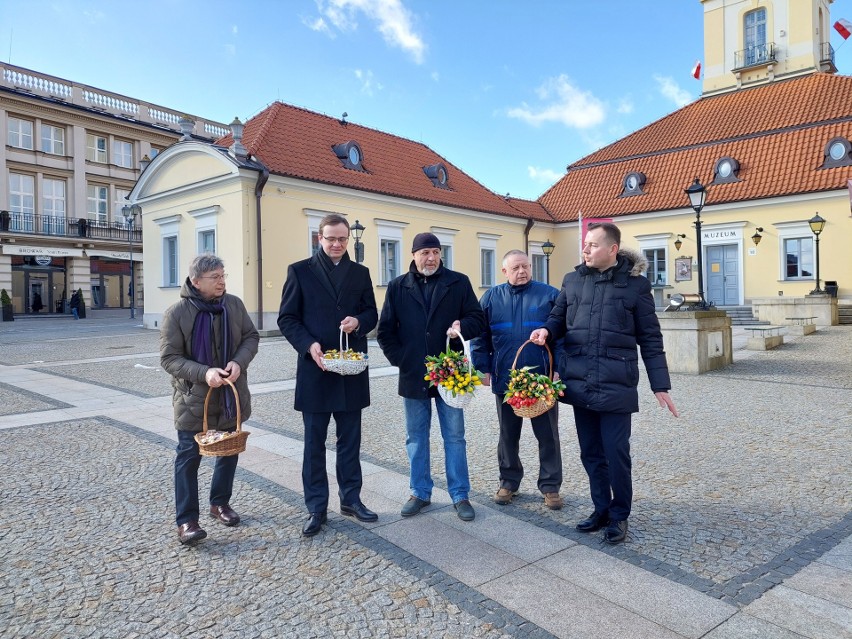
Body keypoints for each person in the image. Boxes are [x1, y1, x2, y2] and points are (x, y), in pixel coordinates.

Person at [530, 222, 678, 544]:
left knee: (616, 453)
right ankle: (600, 508)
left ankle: (619, 515)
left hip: (615, 384)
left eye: (593, 245)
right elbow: (557, 317)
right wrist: (547, 331)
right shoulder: (572, 280)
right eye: (584, 244)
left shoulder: (636, 286)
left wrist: (660, 385)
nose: (585, 250)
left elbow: (650, 339)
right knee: (591, 453)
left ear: (612, 249)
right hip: (580, 380)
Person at [278, 214, 379, 537]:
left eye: (342, 239)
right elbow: (287, 318)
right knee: (314, 444)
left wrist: (358, 322)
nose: (336, 244)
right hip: (315, 370)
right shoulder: (299, 271)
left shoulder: (360, 273)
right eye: (330, 238)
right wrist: (309, 345)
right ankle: (316, 507)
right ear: (318, 238)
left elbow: (372, 313)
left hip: (350, 369)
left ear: (348, 239)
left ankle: (351, 499)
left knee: (350, 441)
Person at [377, 233, 486, 522]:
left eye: (436, 252)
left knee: (454, 437)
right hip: (414, 375)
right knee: (416, 437)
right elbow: (385, 330)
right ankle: (420, 492)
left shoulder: (458, 282)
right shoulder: (399, 286)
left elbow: (478, 318)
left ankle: (460, 494)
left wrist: (463, 325)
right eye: (425, 252)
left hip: (451, 376)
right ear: (413, 255)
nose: (431, 257)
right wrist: (403, 360)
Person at [160, 254, 259, 545]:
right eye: (215, 277)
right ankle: (187, 521)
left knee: (229, 450)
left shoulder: (234, 305)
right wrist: (204, 373)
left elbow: (250, 337)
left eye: (223, 275)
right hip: (193, 398)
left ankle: (220, 504)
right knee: (188, 457)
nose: (222, 281)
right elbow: (169, 358)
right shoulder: (176, 313)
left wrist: (239, 362)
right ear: (195, 281)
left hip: (230, 394)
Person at [471, 250, 564, 510]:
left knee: (548, 436)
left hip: (541, 381)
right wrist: (483, 368)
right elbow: (480, 337)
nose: (522, 271)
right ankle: (509, 481)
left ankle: (550, 486)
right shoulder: (491, 297)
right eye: (516, 268)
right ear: (504, 271)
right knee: (507, 435)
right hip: (506, 380)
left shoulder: (549, 295)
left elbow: (563, 336)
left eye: (525, 266)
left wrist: (559, 369)